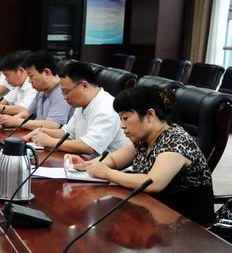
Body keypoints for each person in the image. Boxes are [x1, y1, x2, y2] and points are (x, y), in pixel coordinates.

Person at [65, 86, 214, 224]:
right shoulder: (144, 138)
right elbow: (114, 160)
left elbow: (152, 183)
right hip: (152, 212)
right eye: (120, 119)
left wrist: (107, 173)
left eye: (126, 118)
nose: (122, 125)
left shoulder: (175, 141)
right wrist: (85, 165)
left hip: (186, 224)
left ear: (150, 115)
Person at [24, 61, 129, 157]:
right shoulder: (82, 103)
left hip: (106, 168)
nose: (64, 97)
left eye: (66, 92)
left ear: (84, 86)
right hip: (84, 162)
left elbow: (88, 147)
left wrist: (50, 141)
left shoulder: (106, 107)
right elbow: (67, 134)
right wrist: (43, 131)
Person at [0, 51, 73, 131]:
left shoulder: (61, 91)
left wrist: (17, 122)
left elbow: (53, 124)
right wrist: (10, 120)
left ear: (46, 73)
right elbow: (28, 112)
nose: (29, 81)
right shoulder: (41, 90)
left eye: (31, 76)